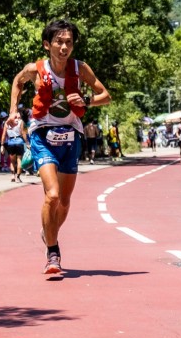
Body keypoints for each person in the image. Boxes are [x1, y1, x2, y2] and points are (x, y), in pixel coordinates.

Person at [7, 20, 110, 275]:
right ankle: (53, 253)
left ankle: (48, 232)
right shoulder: (36, 69)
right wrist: (13, 112)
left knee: (64, 202)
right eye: (59, 42)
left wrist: (86, 99)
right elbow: (17, 82)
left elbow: (105, 95)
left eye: (69, 43)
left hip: (71, 136)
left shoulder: (80, 68)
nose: (64, 47)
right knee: (51, 195)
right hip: (42, 135)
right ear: (47, 44)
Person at [3, 110, 29, 182]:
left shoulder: (6, 123)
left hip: (10, 142)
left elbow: (4, 134)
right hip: (19, 141)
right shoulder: (20, 122)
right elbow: (23, 133)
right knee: (19, 159)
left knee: (12, 161)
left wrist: (2, 144)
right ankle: (18, 176)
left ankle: (12, 175)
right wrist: (27, 142)